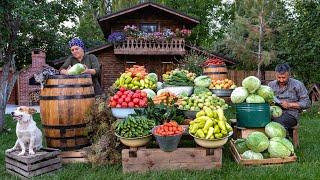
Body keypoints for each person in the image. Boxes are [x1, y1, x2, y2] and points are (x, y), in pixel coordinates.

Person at [268, 63, 311, 129]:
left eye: (284, 77)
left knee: (277, 123)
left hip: (291, 114)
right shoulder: (271, 85)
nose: (281, 80)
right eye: (279, 77)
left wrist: (289, 104)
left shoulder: (298, 85)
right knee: (261, 119)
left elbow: (307, 103)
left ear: (289, 75)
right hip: (273, 112)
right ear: (275, 74)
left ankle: (282, 138)